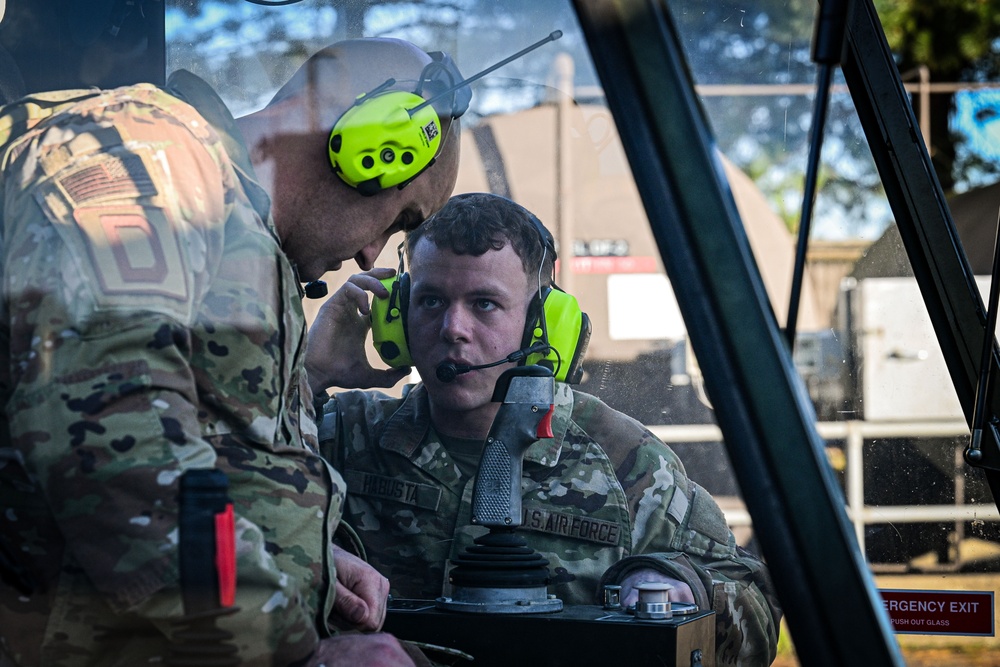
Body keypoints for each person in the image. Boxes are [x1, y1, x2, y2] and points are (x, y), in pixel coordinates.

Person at [0, 37, 462, 666]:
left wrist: (313, 565)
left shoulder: (227, 224)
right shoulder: (143, 164)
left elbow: (212, 450)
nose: (370, 255)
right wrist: (294, 652)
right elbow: (122, 459)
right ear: (366, 145)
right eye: (400, 216)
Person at [316, 192, 782, 666]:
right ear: (396, 316)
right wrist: (311, 373)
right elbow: (246, 494)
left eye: (484, 304)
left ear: (542, 324)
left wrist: (683, 586)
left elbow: (757, 606)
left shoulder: (627, 462)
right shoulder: (341, 434)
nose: (452, 328)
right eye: (430, 300)